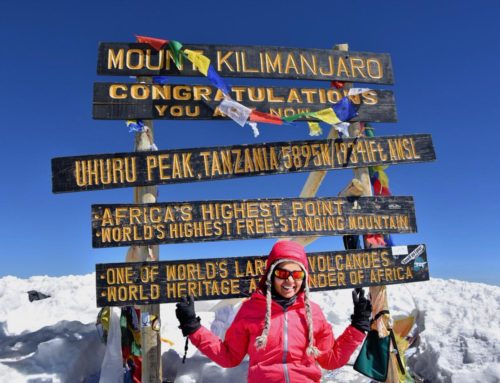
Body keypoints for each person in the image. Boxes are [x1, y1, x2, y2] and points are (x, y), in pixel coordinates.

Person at [175, 240, 371, 382]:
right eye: (282, 273)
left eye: (297, 274)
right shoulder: (251, 310)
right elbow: (229, 357)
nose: (290, 281)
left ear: (305, 278)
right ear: (270, 274)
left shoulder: (313, 313)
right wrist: (193, 327)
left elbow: (330, 359)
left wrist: (358, 326)